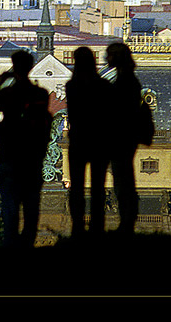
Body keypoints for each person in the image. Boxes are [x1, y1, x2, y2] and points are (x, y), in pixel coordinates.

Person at [0, 50, 52, 248]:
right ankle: (27, 244)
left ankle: (10, 245)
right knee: (31, 207)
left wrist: (0, 81)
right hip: (32, 157)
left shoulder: (9, 94)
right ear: (31, 67)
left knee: (10, 207)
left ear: (14, 66)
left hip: (10, 155)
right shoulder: (40, 94)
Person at [65, 46, 114, 240]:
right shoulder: (104, 86)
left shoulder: (72, 86)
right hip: (98, 141)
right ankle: (97, 227)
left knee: (76, 188)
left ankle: (77, 227)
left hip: (78, 140)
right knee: (97, 187)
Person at [101, 42, 142, 236]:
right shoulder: (129, 79)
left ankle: (127, 221)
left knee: (123, 180)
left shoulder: (124, 81)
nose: (106, 59)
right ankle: (127, 220)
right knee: (123, 178)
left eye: (109, 56)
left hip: (120, 138)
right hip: (125, 137)